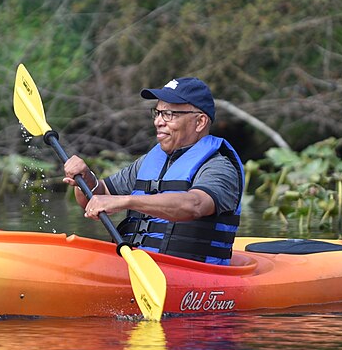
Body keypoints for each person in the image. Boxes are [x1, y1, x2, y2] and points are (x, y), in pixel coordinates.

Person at [63, 77, 245, 264]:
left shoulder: (220, 166)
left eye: (169, 114)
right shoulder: (149, 162)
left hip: (192, 274)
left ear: (200, 122)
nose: (158, 121)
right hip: (137, 266)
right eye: (157, 113)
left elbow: (195, 205)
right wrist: (86, 179)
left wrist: (126, 201)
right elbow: (95, 197)